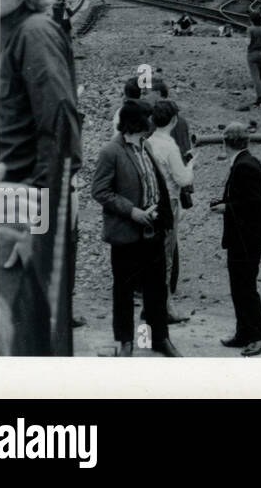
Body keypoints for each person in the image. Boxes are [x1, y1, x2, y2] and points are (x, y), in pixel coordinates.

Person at [0, 0, 83, 355]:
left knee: (25, 341)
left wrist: (40, 226)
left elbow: (62, 133)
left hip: (19, 212)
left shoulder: (35, 32)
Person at [91, 99, 181, 357]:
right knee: (124, 291)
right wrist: (132, 211)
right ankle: (125, 341)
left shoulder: (145, 146)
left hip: (152, 232)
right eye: (148, 119)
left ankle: (160, 338)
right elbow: (100, 190)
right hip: (126, 234)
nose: (153, 123)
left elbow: (155, 183)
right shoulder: (111, 151)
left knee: (156, 288)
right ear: (137, 122)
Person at [212, 121, 261, 356]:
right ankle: (244, 332)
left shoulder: (243, 166)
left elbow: (252, 203)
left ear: (225, 142)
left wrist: (226, 208)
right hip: (246, 235)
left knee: (245, 287)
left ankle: (259, 336)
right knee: (239, 286)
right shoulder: (246, 161)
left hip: (247, 237)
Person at [148, 99, 194, 323]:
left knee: (152, 256)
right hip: (169, 202)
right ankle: (164, 308)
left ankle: (151, 304)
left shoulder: (147, 143)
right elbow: (183, 178)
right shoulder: (170, 146)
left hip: (150, 202)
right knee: (166, 256)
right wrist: (191, 165)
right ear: (174, 120)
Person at [245, 11, 261, 104]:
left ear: (251, 20)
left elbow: (247, 42)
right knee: (258, 74)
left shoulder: (250, 29)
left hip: (252, 53)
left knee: (255, 76)